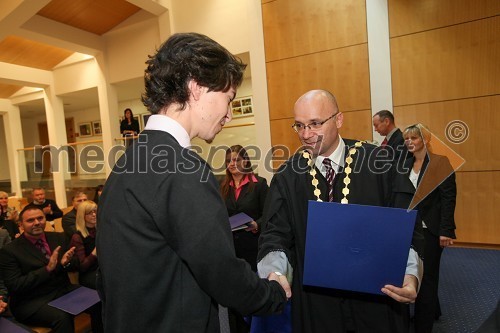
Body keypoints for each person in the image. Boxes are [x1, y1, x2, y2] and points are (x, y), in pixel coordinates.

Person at [96, 32, 289, 333]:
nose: (228, 114)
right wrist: (273, 294)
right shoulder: (184, 168)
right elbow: (220, 272)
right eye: (229, 99)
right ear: (196, 88)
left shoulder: (126, 163)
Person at [257, 90, 424, 333]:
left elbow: (406, 225)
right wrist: (274, 272)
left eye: (315, 124)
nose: (305, 134)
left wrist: (410, 275)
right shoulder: (287, 176)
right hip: (317, 305)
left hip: (378, 298)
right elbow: (275, 233)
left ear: (338, 120)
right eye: (300, 126)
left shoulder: (380, 163)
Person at [392, 123, 457, 333]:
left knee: (427, 280)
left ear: (425, 140)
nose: (409, 142)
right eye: (406, 139)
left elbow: (448, 198)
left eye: (414, 138)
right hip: (407, 228)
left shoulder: (440, 162)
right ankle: (423, 314)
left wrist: (446, 230)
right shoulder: (403, 164)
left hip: (429, 229)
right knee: (409, 274)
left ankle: (423, 327)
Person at [0, 206, 79, 332]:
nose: (37, 222)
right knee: (62, 317)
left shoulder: (59, 237)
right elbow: (15, 285)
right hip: (31, 301)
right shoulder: (10, 251)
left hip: (62, 291)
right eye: (30, 220)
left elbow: (76, 265)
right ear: (20, 224)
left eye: (40, 218)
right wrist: (47, 269)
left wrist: (66, 263)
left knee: (99, 299)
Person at [220, 145, 269, 333]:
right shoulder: (222, 187)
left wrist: (257, 224)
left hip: (254, 248)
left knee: (253, 293)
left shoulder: (259, 184)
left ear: (245, 161)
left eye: (236, 160)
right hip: (232, 250)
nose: (232, 164)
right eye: (228, 161)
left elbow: (270, 214)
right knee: (235, 296)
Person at [69, 200, 103, 333]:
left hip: (102, 269)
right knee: (104, 289)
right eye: (90, 213)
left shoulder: (100, 230)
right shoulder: (77, 236)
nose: (94, 215)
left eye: (96, 211)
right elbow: (82, 266)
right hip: (88, 275)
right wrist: (95, 252)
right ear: (82, 216)